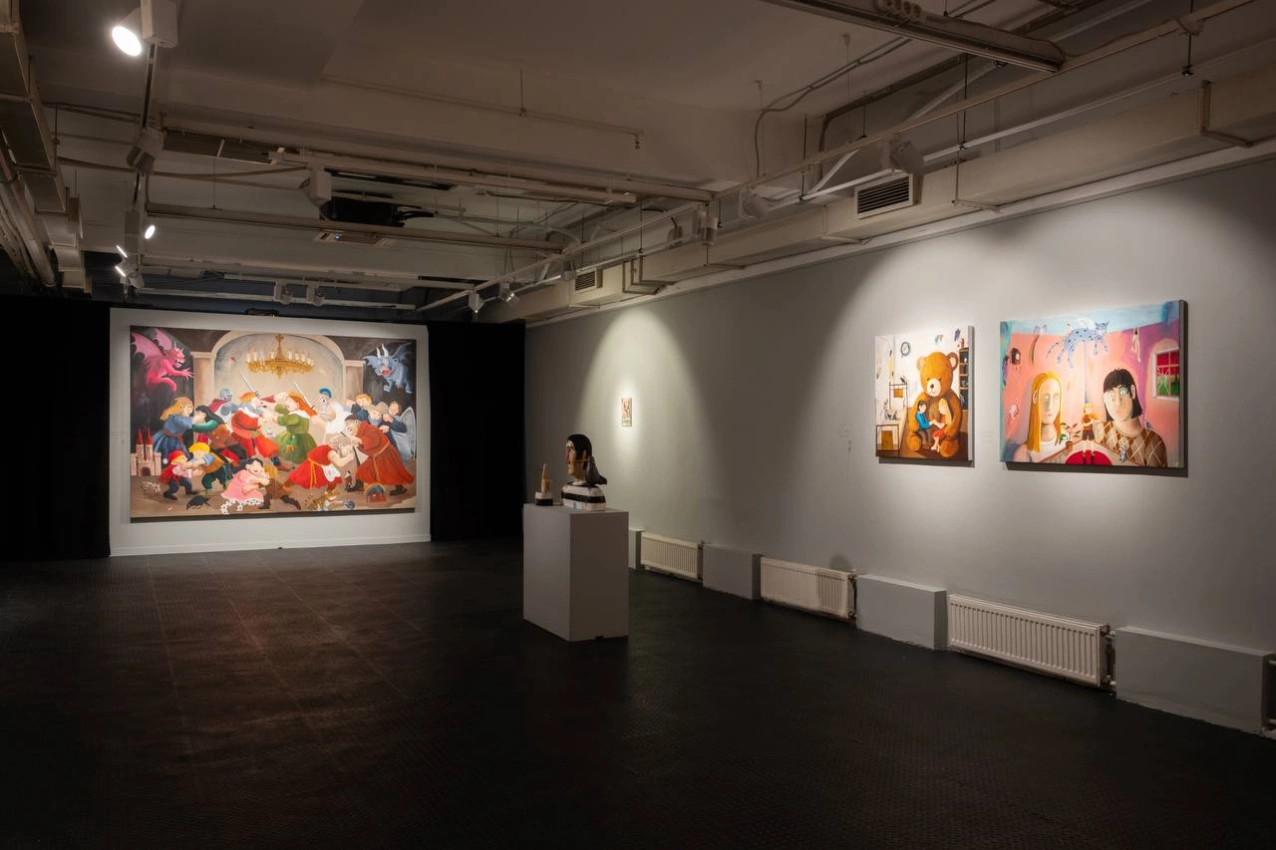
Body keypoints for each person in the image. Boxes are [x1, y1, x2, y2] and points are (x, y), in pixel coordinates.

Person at [1091, 368, 1167, 466]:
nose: (1117, 403)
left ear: (1133, 392)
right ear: (1104, 398)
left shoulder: (1153, 443)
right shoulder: (1097, 430)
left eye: (1122, 392)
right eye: (1111, 394)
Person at [1012, 371, 1068, 462]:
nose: (1050, 406)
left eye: (1055, 397)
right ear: (1035, 398)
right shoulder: (1024, 454)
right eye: (1045, 397)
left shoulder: (1066, 438)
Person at [561, 433, 607, 511]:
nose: (567, 460)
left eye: (571, 450)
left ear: (584, 455)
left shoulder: (593, 493)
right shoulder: (565, 490)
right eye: (567, 450)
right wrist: (544, 493)